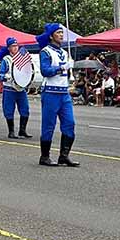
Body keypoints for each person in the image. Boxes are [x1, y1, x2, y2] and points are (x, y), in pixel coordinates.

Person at [36, 23, 79, 167]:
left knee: (70, 123)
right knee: (49, 125)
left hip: (64, 93)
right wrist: (61, 68)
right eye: (58, 33)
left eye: (62, 32)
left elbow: (66, 73)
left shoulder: (65, 52)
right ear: (51, 36)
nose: (61, 35)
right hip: (50, 92)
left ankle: (64, 155)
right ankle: (45, 156)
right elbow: (45, 71)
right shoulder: (45, 51)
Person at [0, 37, 32, 139]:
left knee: (25, 110)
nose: (15, 48)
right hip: (9, 89)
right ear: (8, 48)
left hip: (21, 88)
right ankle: (11, 131)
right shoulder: (6, 60)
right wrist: (5, 77)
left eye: (16, 46)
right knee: (9, 110)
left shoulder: (22, 58)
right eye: (13, 46)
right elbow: (1, 75)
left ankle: (22, 130)